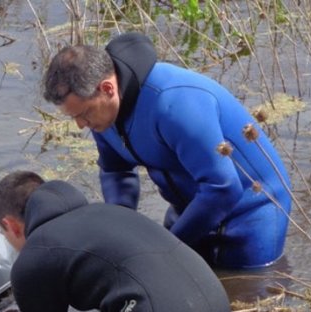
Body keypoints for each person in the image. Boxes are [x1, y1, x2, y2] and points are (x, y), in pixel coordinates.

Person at [43, 32, 292, 269]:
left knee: (248, 299)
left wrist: (166, 248)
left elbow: (222, 188)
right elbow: (115, 171)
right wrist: (120, 233)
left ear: (107, 89)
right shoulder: (104, 116)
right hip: (190, 207)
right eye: (74, 117)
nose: (81, 125)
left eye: (84, 113)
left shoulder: (174, 104)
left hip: (251, 212)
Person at [0, 171, 231, 312]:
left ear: (9, 225)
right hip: (219, 310)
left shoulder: (34, 255)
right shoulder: (110, 211)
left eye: (4, 235)